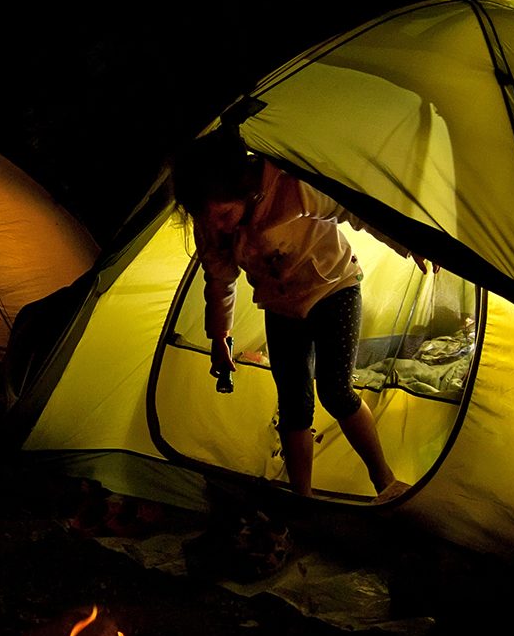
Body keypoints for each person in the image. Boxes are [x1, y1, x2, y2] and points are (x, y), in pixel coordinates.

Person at [171, 125, 438, 502]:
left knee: (335, 391)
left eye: (223, 214)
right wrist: (219, 338)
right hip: (280, 306)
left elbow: (355, 209)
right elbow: (219, 282)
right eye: (206, 218)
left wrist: (409, 242)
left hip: (334, 288)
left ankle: (385, 481)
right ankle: (303, 498)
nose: (216, 226)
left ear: (243, 189)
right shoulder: (212, 228)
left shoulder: (290, 187)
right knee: (293, 406)